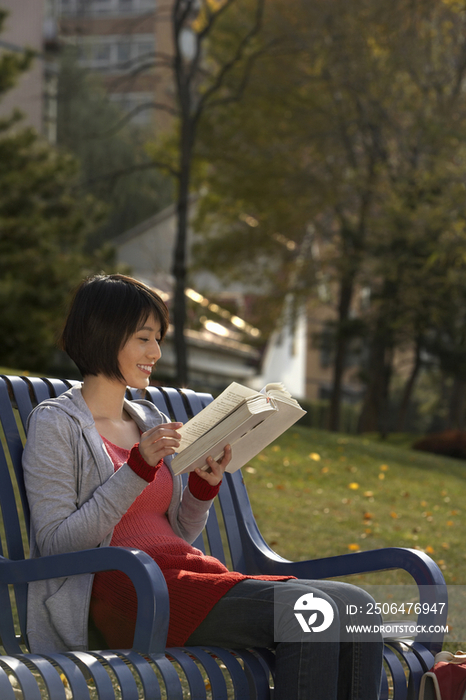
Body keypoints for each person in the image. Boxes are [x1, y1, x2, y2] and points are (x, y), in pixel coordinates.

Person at [22, 273, 383, 699]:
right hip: (125, 591)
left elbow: (175, 534)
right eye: (144, 338)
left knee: (359, 608)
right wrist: (137, 469)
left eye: (158, 339)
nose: (156, 352)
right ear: (105, 335)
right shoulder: (56, 423)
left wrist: (200, 490)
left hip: (182, 575)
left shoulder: (148, 420)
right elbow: (57, 544)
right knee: (311, 614)